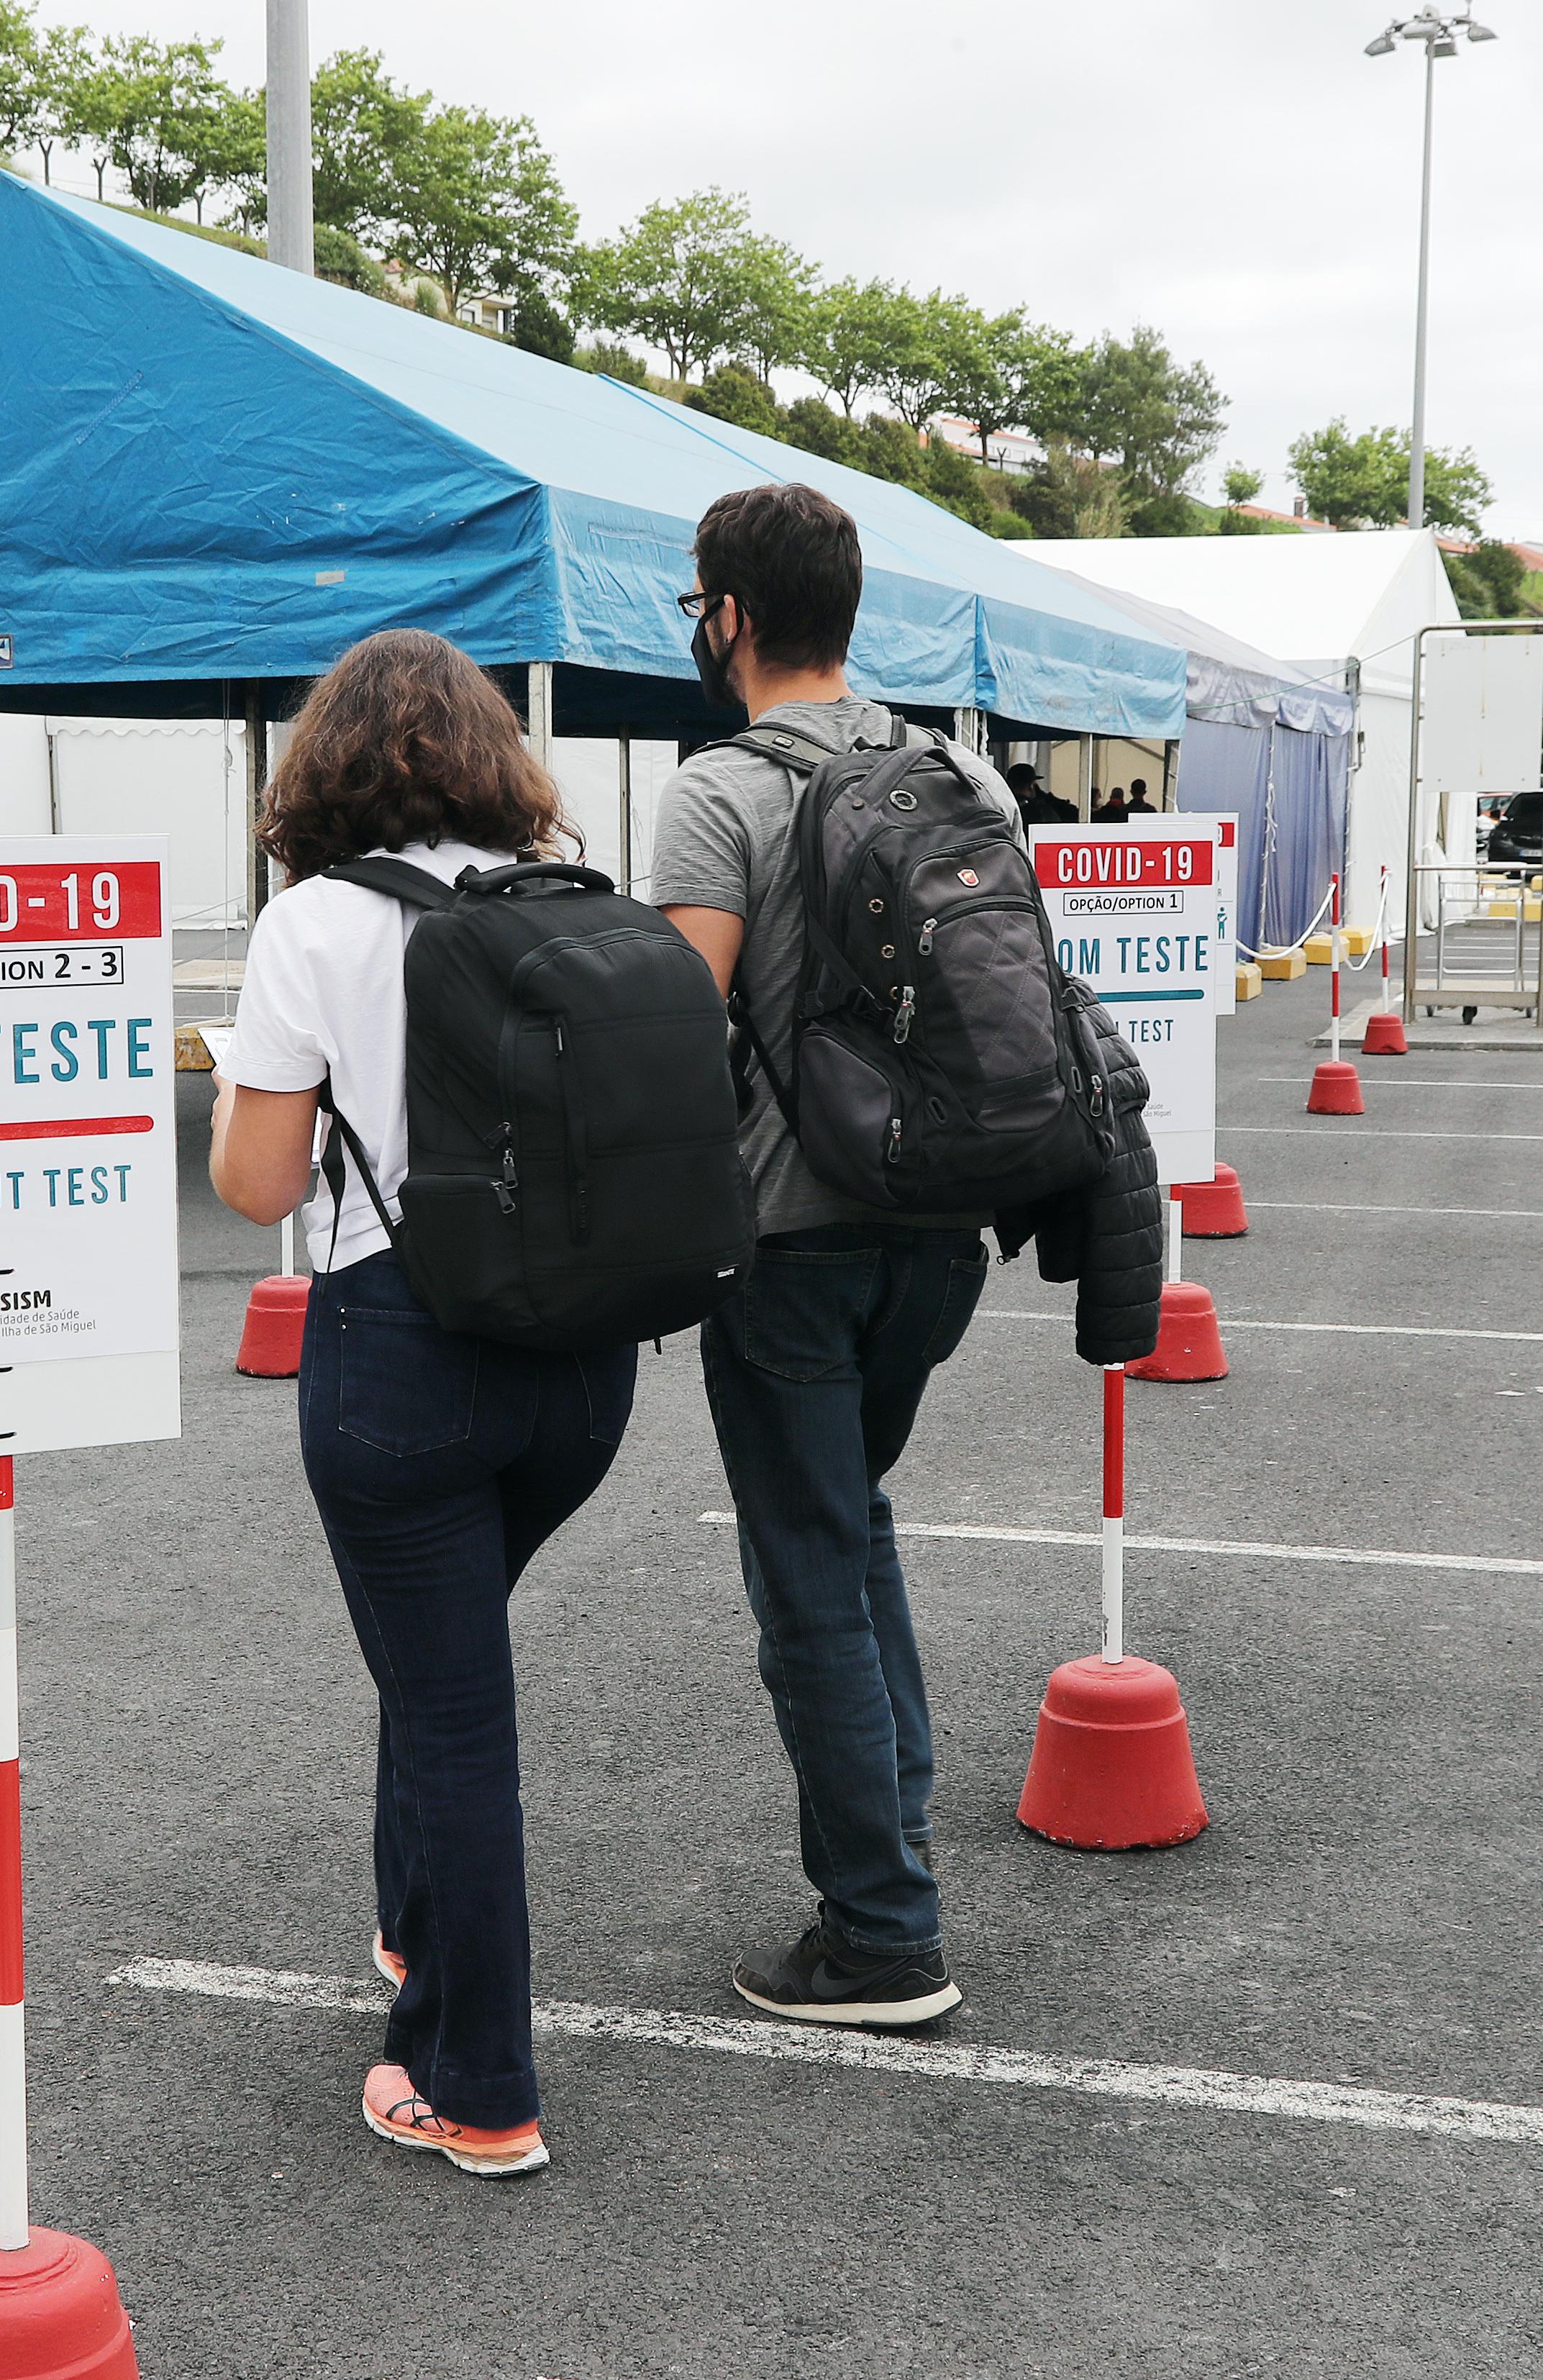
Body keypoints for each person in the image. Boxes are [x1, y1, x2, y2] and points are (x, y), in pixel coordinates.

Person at [210, 628, 637, 2179]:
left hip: (402, 1353)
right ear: (493, 762)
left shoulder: (313, 924)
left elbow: (258, 1180)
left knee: (452, 1704)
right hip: (585, 1368)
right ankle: (410, 1926)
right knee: (438, 1656)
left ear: (324, 765)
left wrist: (243, 1086)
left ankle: (476, 2079)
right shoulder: (579, 905)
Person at [655, 481, 1004, 2030]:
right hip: (941, 1231)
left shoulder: (717, 788)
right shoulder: (959, 766)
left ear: (728, 613)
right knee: (852, 1532)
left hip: (790, 1235)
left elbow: (672, 1029)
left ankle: (881, 1932)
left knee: (805, 1569)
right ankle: (893, 1857)